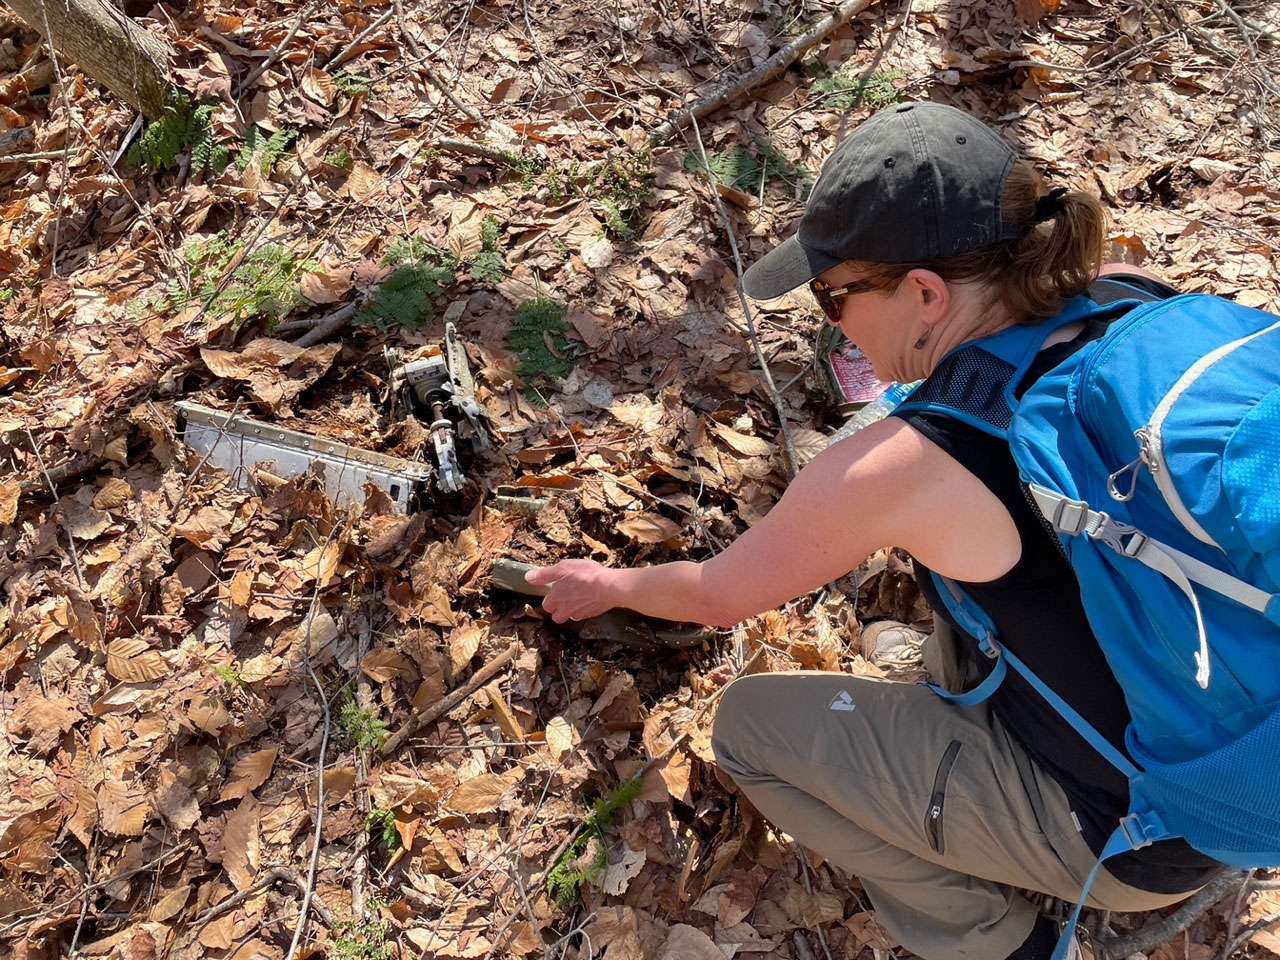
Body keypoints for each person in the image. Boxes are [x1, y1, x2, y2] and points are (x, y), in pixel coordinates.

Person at [524, 102, 1223, 960]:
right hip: (1220, 741)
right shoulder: (1129, 302)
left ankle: (1002, 943)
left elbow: (716, 597)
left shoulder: (913, 465)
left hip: (1138, 831)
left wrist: (607, 585)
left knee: (751, 729)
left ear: (926, 293)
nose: (831, 321)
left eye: (834, 294)